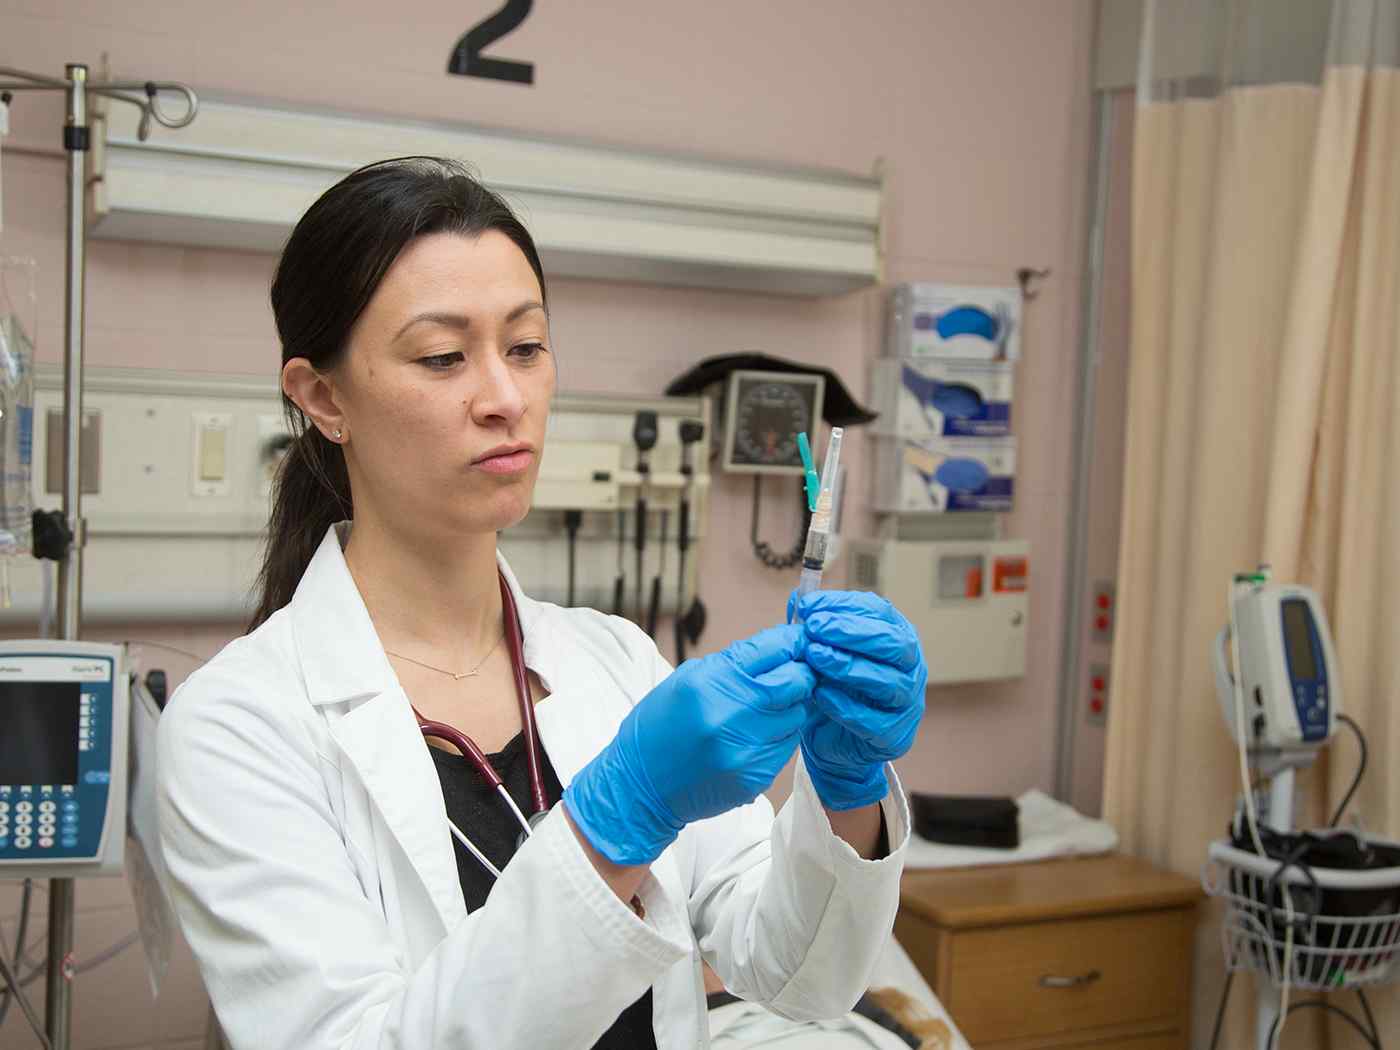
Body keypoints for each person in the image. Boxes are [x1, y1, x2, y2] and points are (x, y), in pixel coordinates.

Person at [155, 156, 927, 1050]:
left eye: (526, 347)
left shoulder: (615, 661)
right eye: (444, 357)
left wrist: (845, 794)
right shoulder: (239, 725)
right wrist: (611, 825)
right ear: (323, 397)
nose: (506, 398)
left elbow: (801, 977)